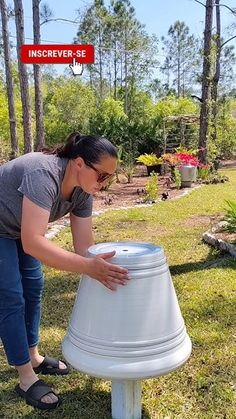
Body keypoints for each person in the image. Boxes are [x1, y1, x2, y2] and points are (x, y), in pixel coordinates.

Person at [0, 132, 129, 410]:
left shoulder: (84, 191)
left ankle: (33, 355)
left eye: (110, 178)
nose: (104, 185)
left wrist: (104, 267)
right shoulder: (42, 174)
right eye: (102, 176)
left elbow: (85, 249)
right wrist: (89, 267)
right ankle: (25, 377)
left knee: (33, 287)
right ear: (79, 163)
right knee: (10, 295)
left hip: (15, 227)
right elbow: (33, 242)